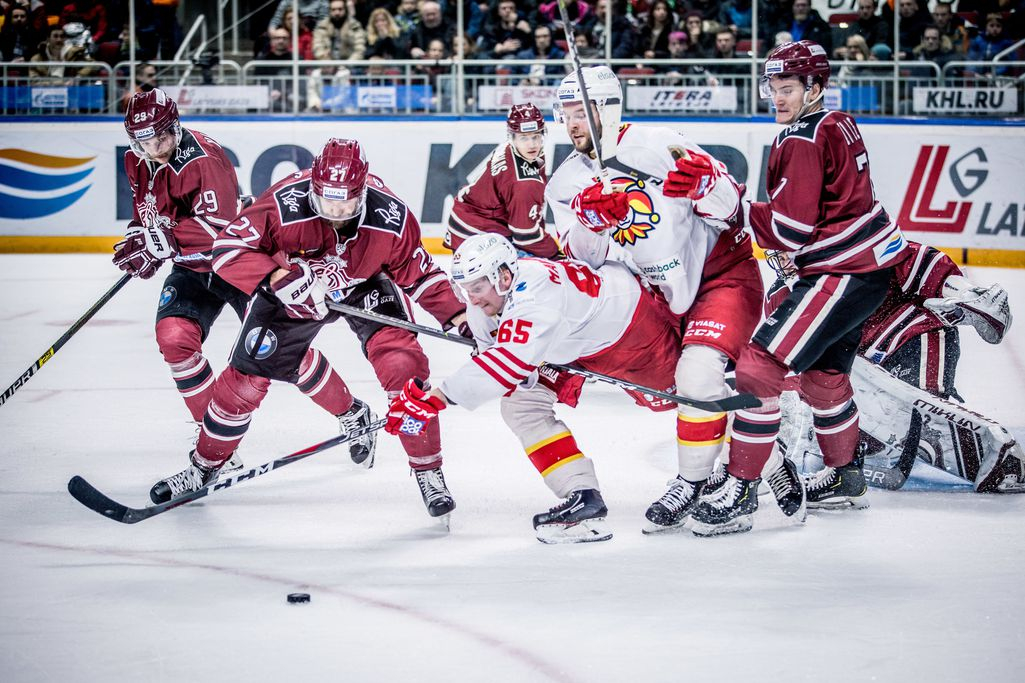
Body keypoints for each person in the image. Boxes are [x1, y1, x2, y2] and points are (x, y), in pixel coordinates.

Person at [150, 138, 467, 522]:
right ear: (313, 187)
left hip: (365, 285)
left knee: (403, 366)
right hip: (294, 289)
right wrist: (278, 276)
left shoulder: (391, 218)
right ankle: (205, 465)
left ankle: (428, 471)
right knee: (243, 380)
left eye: (346, 203)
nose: (335, 211)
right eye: (326, 200)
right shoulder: (284, 203)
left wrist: (459, 317)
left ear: (362, 192)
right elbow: (228, 249)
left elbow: (422, 275)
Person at [546, 66, 799, 535]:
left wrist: (711, 189)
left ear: (607, 107)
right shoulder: (564, 186)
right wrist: (590, 222)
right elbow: (588, 258)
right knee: (671, 392)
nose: (572, 124)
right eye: (566, 114)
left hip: (720, 277)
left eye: (581, 112)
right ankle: (762, 451)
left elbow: (734, 214)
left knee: (697, 374)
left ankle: (693, 482)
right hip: (654, 292)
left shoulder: (660, 143)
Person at [689, 41, 910, 536]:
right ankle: (847, 478)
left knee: (759, 366)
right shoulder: (838, 122)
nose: (777, 98)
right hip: (869, 272)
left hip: (840, 273)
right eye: (772, 87)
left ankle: (742, 490)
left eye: (787, 88)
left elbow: (789, 230)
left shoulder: (801, 139)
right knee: (823, 379)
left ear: (815, 87)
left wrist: (733, 206)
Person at [384, 234, 683, 543]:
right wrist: (429, 401)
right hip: (568, 345)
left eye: (477, 288)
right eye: (465, 289)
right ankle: (583, 498)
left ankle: (732, 467)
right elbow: (504, 366)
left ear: (503, 276)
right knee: (521, 405)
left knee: (689, 396)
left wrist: (436, 399)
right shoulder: (484, 306)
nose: (471, 299)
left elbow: (508, 362)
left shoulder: (535, 291)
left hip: (628, 328)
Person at [445, 104, 560, 258]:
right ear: (512, 137)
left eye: (536, 136)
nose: (532, 144)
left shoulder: (512, 149)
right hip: (477, 236)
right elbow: (525, 236)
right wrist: (555, 254)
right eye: (524, 137)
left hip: (468, 221)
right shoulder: (523, 183)